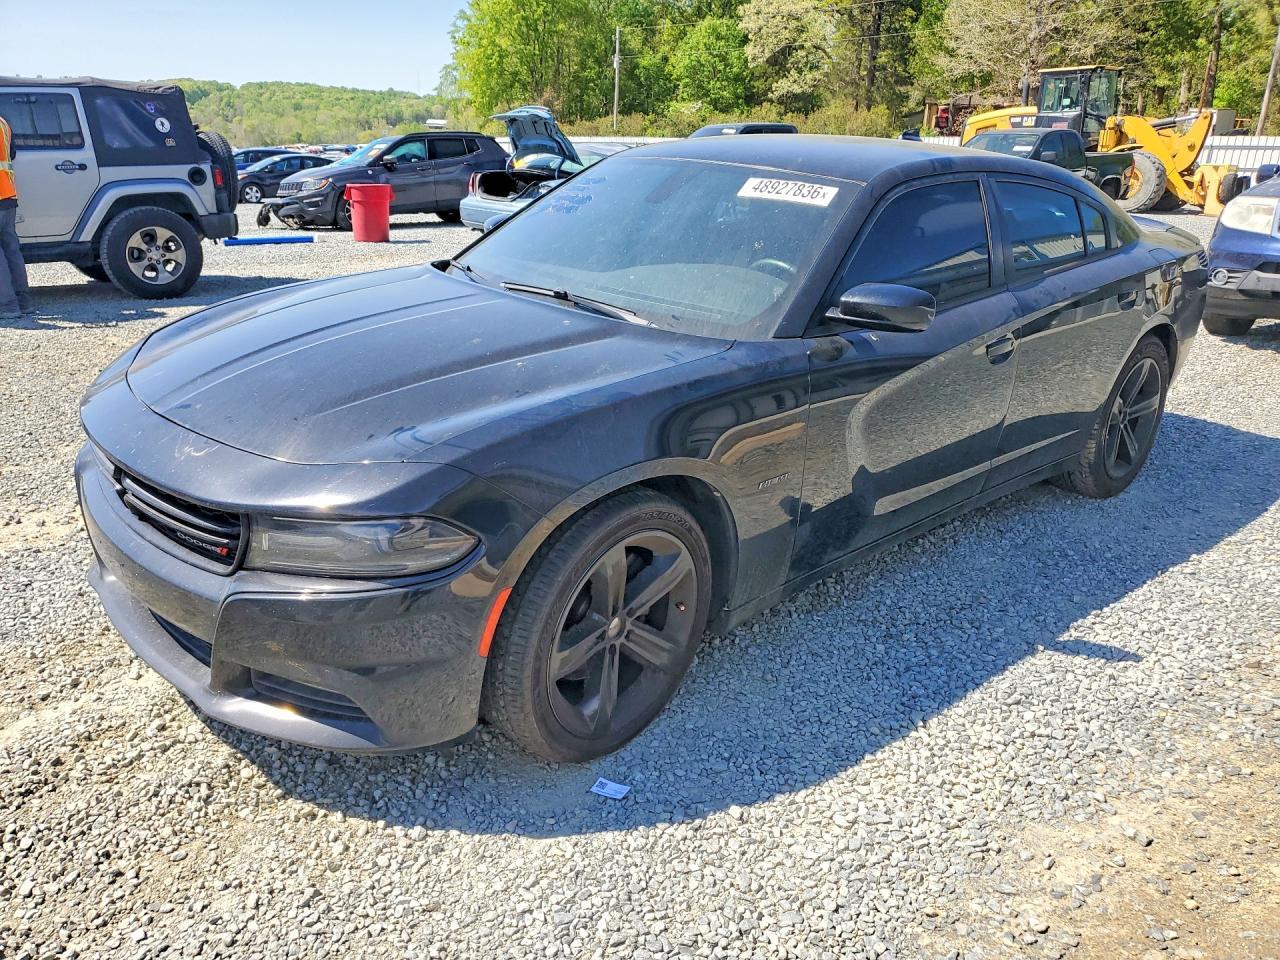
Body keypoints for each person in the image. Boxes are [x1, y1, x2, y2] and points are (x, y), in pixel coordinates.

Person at [0, 113, 34, 320]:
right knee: (12, 250)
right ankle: (24, 302)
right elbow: (11, 154)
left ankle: (7, 306)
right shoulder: (3, 122)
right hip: (8, 195)